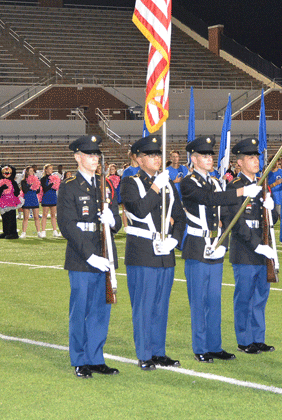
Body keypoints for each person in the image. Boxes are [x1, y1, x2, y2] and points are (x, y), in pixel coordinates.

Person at [180, 136, 261, 363]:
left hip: (215, 246)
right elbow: (208, 199)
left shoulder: (216, 182)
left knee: (214, 299)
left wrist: (223, 244)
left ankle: (214, 345)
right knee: (199, 300)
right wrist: (242, 192)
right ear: (194, 159)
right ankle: (200, 347)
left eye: (210, 155)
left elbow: (226, 214)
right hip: (197, 247)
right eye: (204, 156)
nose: (209, 159)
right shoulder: (188, 182)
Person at [57, 135, 121, 379]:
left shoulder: (105, 184)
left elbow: (116, 220)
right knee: (81, 309)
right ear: (77, 157)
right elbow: (67, 224)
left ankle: (95, 358)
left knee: (101, 309)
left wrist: (112, 220)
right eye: (89, 154)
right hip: (82, 256)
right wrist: (90, 255)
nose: (95, 158)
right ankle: (79, 359)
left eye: (97, 154)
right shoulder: (69, 185)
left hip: (105, 252)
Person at [120, 135, 186, 371]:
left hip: (164, 252)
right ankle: (144, 353)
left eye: (158, 154)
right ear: (138, 159)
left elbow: (180, 216)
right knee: (144, 305)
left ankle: (158, 352)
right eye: (151, 155)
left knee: (161, 306)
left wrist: (175, 240)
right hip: (143, 251)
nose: (157, 158)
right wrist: (157, 186)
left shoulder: (167, 183)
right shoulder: (130, 182)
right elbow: (138, 209)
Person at [223, 138, 277, 355]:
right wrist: (257, 245)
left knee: (260, 295)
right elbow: (235, 222)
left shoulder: (263, 184)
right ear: (240, 163)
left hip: (263, 246)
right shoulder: (235, 187)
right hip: (246, 250)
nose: (256, 161)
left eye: (257, 157)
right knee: (244, 296)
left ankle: (258, 337)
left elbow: (273, 220)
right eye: (251, 158)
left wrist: (272, 209)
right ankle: (244, 340)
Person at [0, 164, 22, 239]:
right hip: (3, 201)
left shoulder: (13, 182)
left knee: (11, 217)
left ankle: (13, 233)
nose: (7, 175)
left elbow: (17, 191)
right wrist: (1, 188)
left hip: (11, 201)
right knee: (4, 217)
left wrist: (15, 193)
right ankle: (6, 232)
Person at [20, 166, 43, 238]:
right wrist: (31, 185)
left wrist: (37, 185)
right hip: (27, 199)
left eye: (32, 171)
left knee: (36, 217)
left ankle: (39, 232)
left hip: (34, 199)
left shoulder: (36, 179)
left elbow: (38, 191)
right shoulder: (23, 181)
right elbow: (25, 190)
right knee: (26, 217)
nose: (32, 172)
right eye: (30, 171)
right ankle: (23, 232)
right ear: (27, 172)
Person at [40, 163, 61, 237]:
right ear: (45, 170)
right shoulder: (43, 179)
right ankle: (43, 231)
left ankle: (55, 231)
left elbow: (57, 187)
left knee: (53, 215)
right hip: (46, 197)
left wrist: (55, 183)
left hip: (53, 197)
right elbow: (45, 189)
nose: (51, 170)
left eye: (52, 169)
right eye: (49, 168)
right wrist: (52, 184)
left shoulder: (55, 177)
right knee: (44, 215)